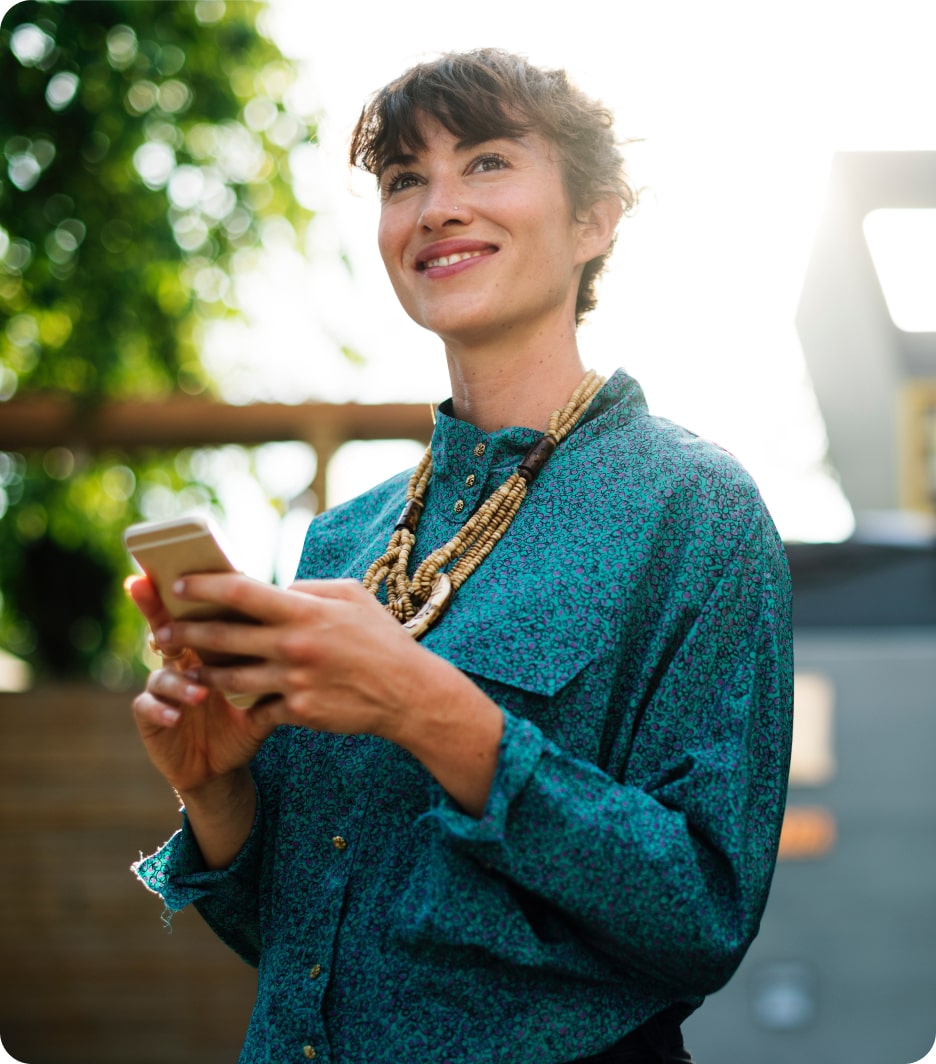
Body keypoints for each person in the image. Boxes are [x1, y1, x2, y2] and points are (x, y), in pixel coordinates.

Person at [129, 48, 794, 1064]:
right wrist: (216, 791)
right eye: (405, 178)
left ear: (594, 219)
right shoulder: (340, 538)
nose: (437, 205)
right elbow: (298, 943)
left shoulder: (695, 509)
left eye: (485, 162)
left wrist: (423, 706)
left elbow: (703, 914)